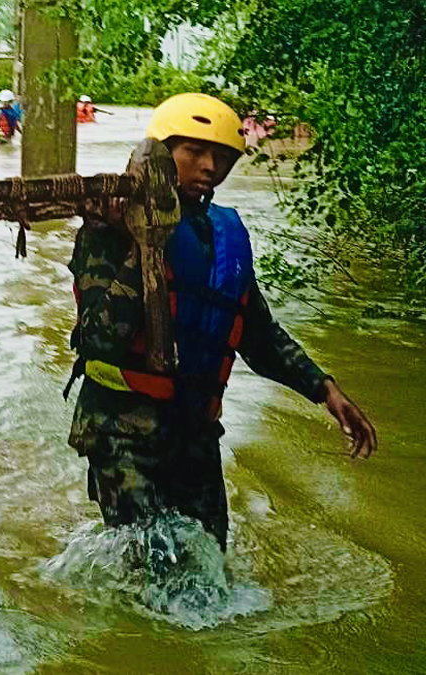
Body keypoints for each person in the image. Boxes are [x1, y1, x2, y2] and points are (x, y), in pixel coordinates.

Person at [64, 93, 376, 553]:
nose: (209, 166)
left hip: (194, 428)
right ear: (163, 152)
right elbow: (100, 337)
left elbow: (256, 331)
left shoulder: (223, 232)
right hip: (121, 427)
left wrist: (324, 389)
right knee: (150, 567)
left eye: (223, 156)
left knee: (211, 561)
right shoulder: (107, 228)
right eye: (193, 152)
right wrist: (141, 245)